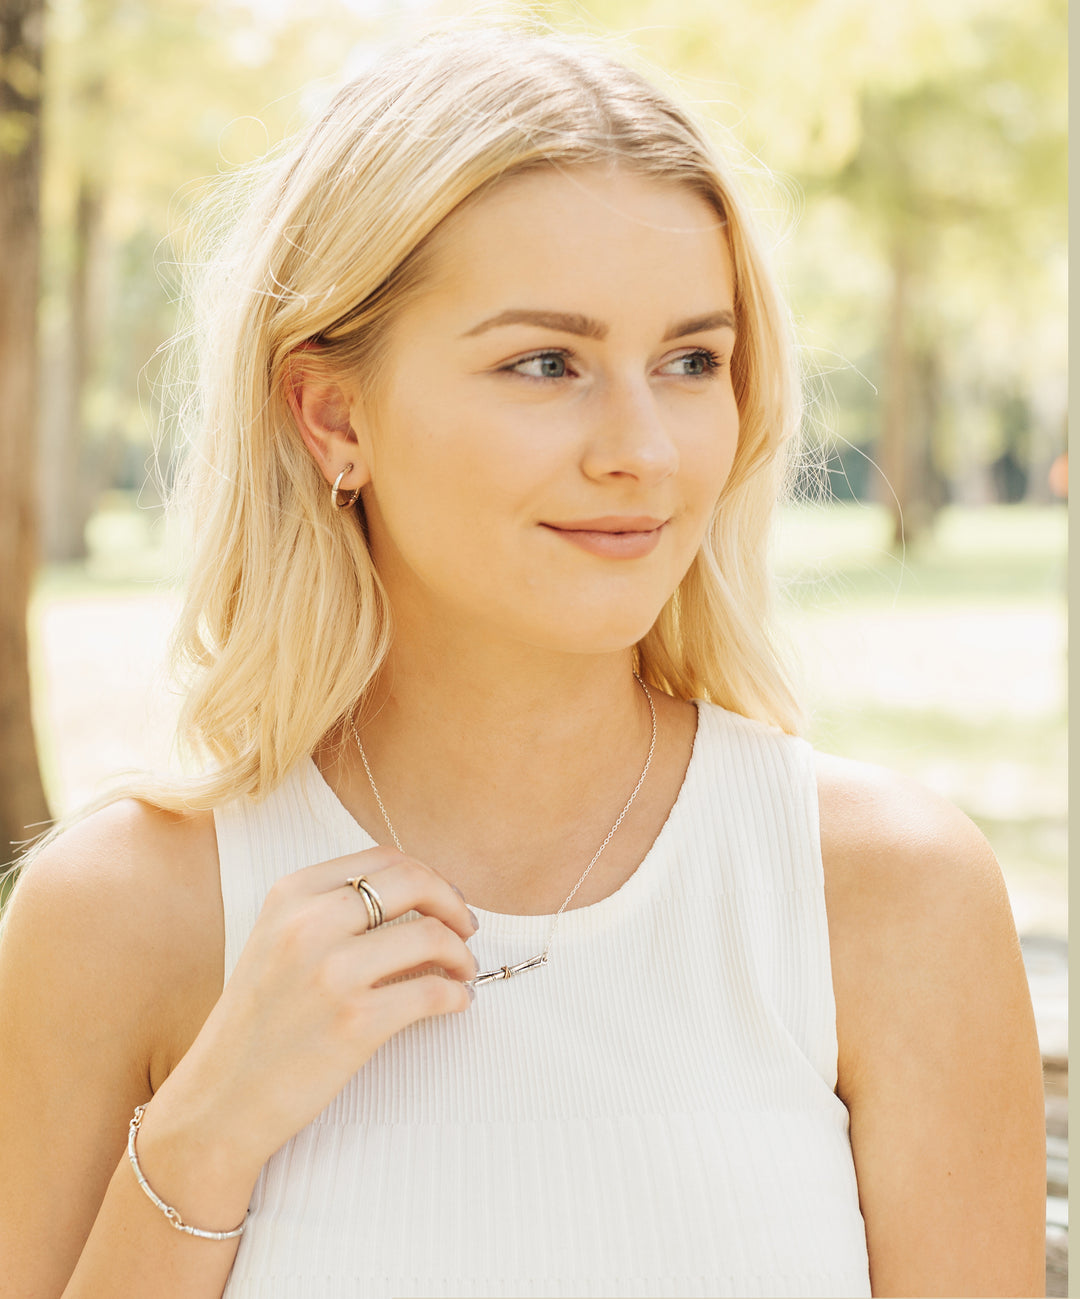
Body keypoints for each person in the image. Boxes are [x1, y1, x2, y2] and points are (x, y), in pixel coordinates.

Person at [0, 25, 1046, 1299]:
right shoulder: (116, 921)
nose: (645, 449)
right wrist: (205, 1137)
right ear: (333, 416)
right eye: (546, 363)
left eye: (691, 361)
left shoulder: (889, 898)